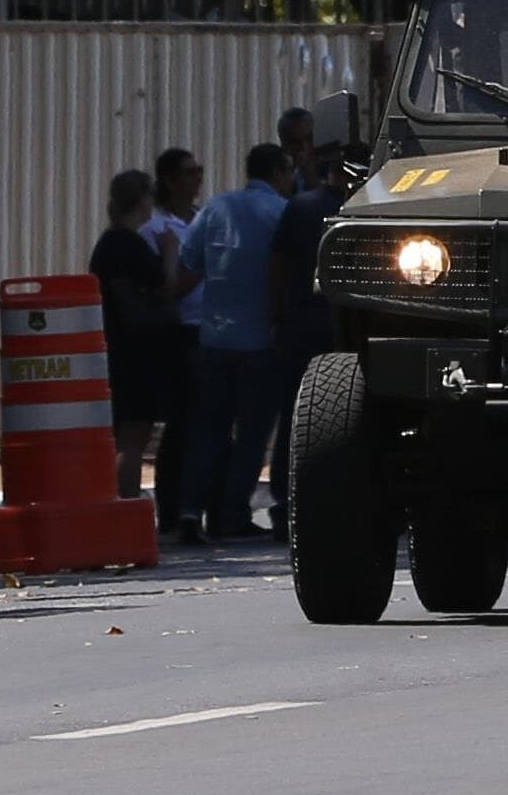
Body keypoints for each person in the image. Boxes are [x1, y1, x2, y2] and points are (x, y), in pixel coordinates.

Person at [177, 137, 296, 541]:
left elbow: (189, 261)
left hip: (215, 338)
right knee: (252, 436)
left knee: (208, 431)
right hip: (261, 342)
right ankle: (232, 515)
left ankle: (190, 513)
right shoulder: (282, 212)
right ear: (279, 173)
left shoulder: (216, 208)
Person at [259, 129, 353, 530]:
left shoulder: (299, 207)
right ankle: (333, 498)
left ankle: (286, 500)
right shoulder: (357, 209)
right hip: (343, 323)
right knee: (343, 412)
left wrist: (276, 317)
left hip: (301, 321)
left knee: (295, 413)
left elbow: (277, 266)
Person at [90, 168, 183, 502]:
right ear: (143, 201)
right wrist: (170, 249)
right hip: (137, 350)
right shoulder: (130, 244)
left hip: (117, 346)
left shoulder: (108, 244)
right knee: (134, 435)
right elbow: (167, 288)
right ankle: (126, 499)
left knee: (124, 432)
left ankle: (119, 496)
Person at [144, 147, 209, 539]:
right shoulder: (157, 229)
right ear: (169, 180)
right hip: (181, 331)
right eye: (188, 173)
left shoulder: (201, 220)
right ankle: (171, 507)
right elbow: (165, 288)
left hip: (210, 326)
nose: (196, 179)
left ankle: (195, 505)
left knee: (205, 423)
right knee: (183, 423)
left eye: (198, 171)